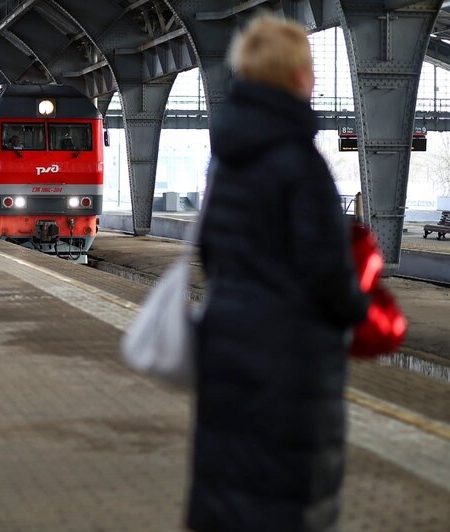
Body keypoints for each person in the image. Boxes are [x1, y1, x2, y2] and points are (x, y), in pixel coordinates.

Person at [187, 17, 369, 532]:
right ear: (295, 75)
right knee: (284, 497)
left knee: (230, 485)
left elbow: (210, 252)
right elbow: (326, 272)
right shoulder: (297, 161)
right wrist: (359, 309)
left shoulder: (225, 162)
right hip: (289, 357)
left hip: (227, 345)